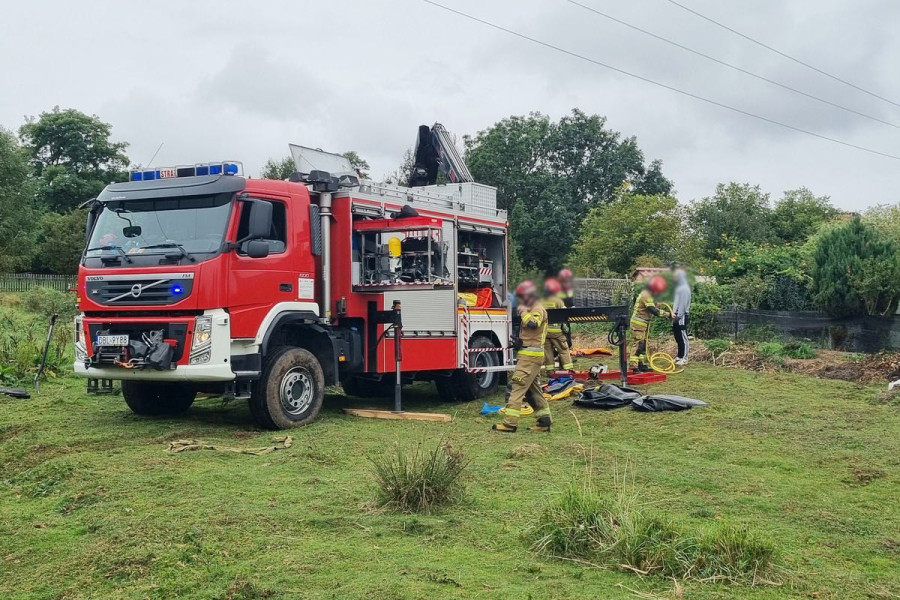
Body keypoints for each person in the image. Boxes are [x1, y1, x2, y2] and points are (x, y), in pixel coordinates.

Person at [494, 280, 552, 433]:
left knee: (517, 386)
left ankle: (509, 423)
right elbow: (531, 333)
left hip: (530, 357)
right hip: (528, 355)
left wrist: (522, 312)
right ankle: (544, 421)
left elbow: (533, 324)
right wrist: (520, 344)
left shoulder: (537, 309)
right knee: (533, 390)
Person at [630, 275, 670, 373]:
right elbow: (653, 310)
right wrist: (668, 314)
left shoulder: (649, 294)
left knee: (643, 345)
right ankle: (634, 367)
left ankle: (641, 364)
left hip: (643, 324)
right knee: (639, 344)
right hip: (638, 324)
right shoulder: (646, 295)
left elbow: (653, 306)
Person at [540, 278, 574, 371]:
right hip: (557, 332)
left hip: (544, 332)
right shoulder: (557, 300)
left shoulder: (540, 301)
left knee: (548, 352)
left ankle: (550, 372)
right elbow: (564, 313)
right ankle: (568, 369)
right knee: (563, 350)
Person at [671, 267, 691, 366]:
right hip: (676, 315)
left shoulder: (684, 288)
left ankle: (685, 358)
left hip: (681, 315)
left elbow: (683, 304)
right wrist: (673, 314)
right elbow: (676, 302)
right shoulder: (678, 288)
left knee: (683, 336)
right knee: (678, 336)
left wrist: (678, 316)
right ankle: (679, 356)